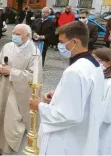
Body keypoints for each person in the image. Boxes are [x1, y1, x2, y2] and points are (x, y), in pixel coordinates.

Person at [29, 21, 104, 155]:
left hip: (65, 142)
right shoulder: (94, 65)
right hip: (83, 135)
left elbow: (68, 115)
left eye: (62, 42)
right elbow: (84, 96)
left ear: (74, 41)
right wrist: (58, 94)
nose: (60, 46)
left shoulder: (75, 71)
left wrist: (39, 106)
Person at [0, 24, 42, 155]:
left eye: (18, 34)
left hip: (17, 93)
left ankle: (8, 148)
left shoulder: (34, 53)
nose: (14, 36)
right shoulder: (7, 46)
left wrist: (12, 72)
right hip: (2, 89)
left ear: (27, 36)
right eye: (13, 33)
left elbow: (34, 76)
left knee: (12, 120)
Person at [91, 48, 111, 155]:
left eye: (96, 60)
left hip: (105, 131)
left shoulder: (109, 84)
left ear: (108, 63)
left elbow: (107, 115)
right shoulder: (100, 78)